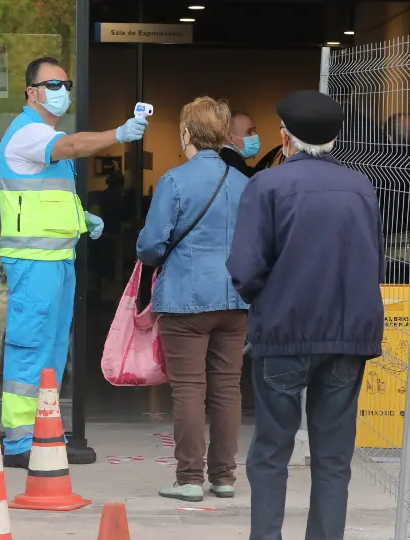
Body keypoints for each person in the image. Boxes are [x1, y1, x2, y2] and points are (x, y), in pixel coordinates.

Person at [226, 90, 385, 540]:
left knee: (271, 451)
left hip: (283, 334)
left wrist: (267, 298)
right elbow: (375, 259)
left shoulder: (267, 186)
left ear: (284, 137)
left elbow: (245, 267)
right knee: (334, 457)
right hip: (347, 336)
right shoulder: (361, 187)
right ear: (335, 138)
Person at [0, 56, 148, 467]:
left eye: (66, 84)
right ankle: (17, 442)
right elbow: (74, 145)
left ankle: (41, 433)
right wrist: (118, 133)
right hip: (33, 263)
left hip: (56, 260)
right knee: (31, 348)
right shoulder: (29, 134)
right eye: (54, 84)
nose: (62, 91)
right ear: (32, 92)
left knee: (50, 350)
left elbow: (45, 201)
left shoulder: (45, 139)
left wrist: (83, 217)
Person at [137, 96, 250, 503]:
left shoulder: (173, 180)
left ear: (186, 133)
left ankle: (188, 479)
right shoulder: (244, 183)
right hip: (235, 300)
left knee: (188, 388)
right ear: (222, 136)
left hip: (185, 300)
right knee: (227, 388)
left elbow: (150, 245)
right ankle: (224, 478)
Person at [219, 110, 259, 177]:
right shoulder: (234, 166)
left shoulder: (223, 160)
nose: (255, 135)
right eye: (249, 132)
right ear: (230, 138)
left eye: (254, 130)